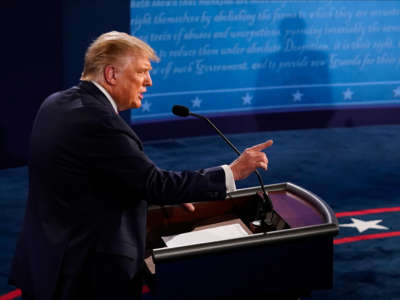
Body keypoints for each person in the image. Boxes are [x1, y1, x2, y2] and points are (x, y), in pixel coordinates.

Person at [9, 31, 273, 300]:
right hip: (84, 276)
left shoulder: (57, 103)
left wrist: (157, 196)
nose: (149, 81)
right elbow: (154, 184)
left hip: (46, 261)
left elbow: (91, 178)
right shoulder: (100, 122)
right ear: (112, 75)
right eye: (142, 72)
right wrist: (234, 171)